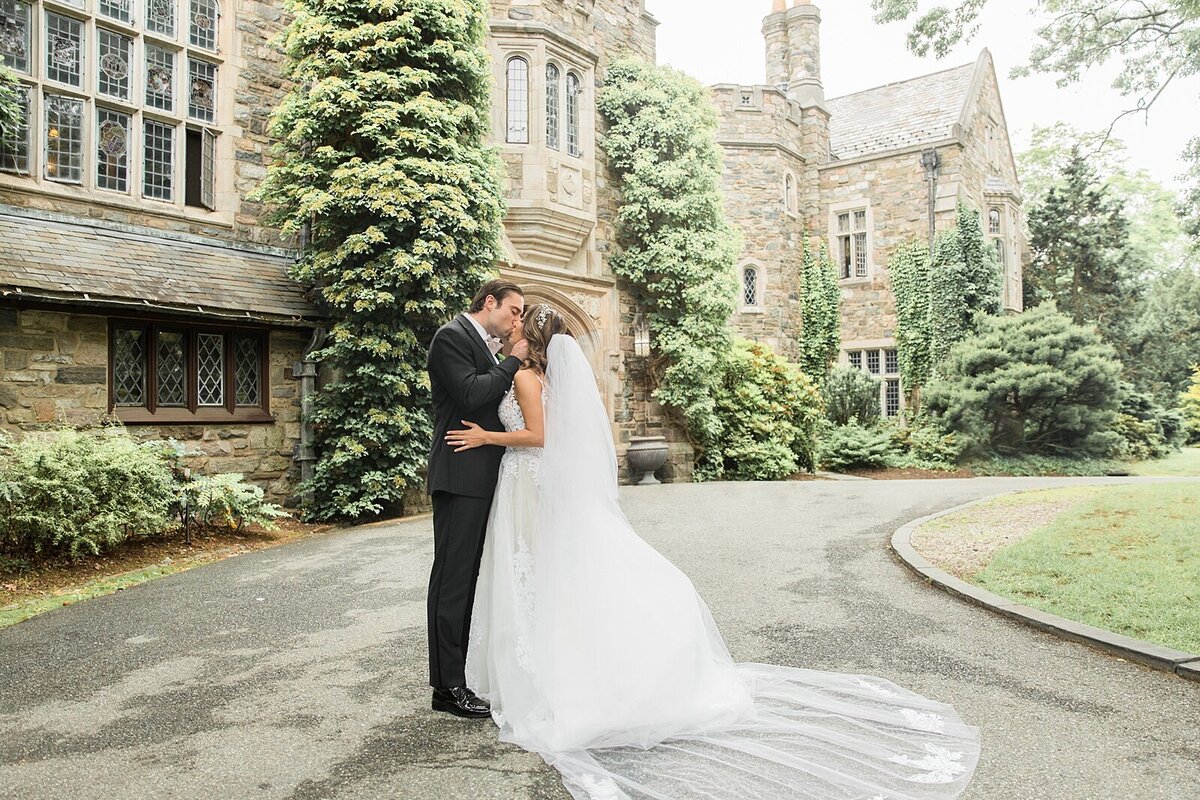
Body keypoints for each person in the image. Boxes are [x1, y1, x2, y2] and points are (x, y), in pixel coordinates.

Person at [445, 303, 981, 799]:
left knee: (536, 573)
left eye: (520, 320)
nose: (513, 324)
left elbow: (539, 436)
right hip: (532, 484)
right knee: (543, 574)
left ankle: (548, 675)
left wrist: (488, 439)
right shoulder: (541, 375)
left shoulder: (525, 376)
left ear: (532, 337)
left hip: (526, 477)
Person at [425, 279, 527, 718]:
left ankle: (458, 677)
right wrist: (513, 360)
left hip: (482, 478)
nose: (517, 319)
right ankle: (447, 688)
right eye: (514, 310)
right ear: (489, 302)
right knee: (453, 580)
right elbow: (470, 393)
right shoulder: (450, 336)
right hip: (459, 476)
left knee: (468, 580)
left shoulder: (485, 346)